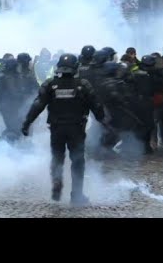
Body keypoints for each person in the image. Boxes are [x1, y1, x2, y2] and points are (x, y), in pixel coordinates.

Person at [22, 53, 105, 206]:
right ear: (75, 67)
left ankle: (57, 186)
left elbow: (37, 105)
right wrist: (103, 120)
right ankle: (77, 195)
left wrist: (27, 123)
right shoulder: (83, 84)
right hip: (76, 129)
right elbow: (96, 105)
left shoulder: (49, 84)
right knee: (78, 162)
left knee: (57, 158)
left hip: (57, 129)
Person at [0, 58, 24, 142]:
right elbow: (13, 92)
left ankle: (3, 144)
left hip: (12, 107)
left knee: (14, 128)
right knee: (14, 128)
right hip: (9, 107)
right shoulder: (7, 78)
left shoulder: (11, 77)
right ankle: (4, 146)